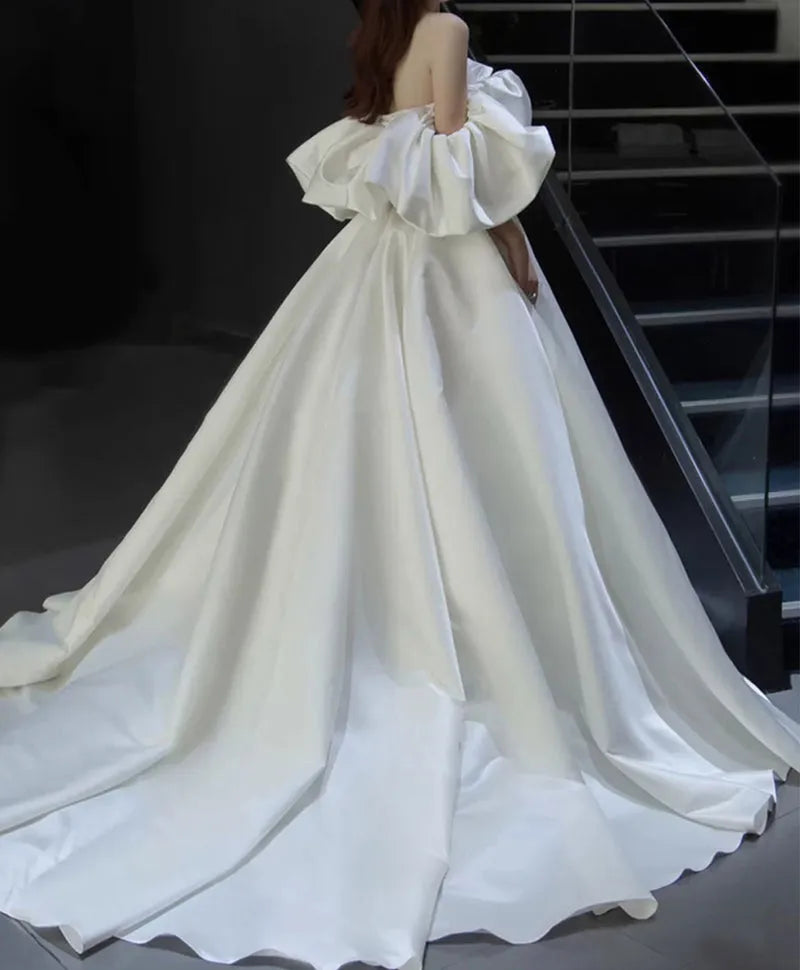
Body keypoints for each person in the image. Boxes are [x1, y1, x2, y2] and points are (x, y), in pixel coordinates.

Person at [0, 2, 798, 968]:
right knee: (490, 453)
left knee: (366, 448)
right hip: (451, 274)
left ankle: (385, 622)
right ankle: (479, 641)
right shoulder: (447, 30)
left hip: (377, 266)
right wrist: (513, 244)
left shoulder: (382, 37)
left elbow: (399, 143)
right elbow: (457, 164)